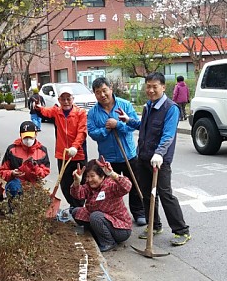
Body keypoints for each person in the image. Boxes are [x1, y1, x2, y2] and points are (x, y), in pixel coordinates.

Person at [117, 72, 191, 246]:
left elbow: (168, 135)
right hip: (143, 157)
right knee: (147, 195)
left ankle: (182, 230)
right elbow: (144, 127)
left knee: (165, 194)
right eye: (148, 86)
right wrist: (128, 120)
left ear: (163, 87)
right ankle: (154, 225)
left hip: (159, 160)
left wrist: (159, 153)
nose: (150, 90)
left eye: (154, 86)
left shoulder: (170, 108)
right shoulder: (148, 106)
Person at [87, 77, 146, 226]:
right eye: (98, 92)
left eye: (104, 90)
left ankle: (138, 213)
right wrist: (106, 129)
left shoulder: (124, 105)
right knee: (109, 189)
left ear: (110, 89)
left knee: (133, 184)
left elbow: (134, 126)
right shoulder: (93, 113)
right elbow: (92, 133)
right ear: (95, 94)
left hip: (128, 154)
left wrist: (118, 124)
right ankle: (111, 215)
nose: (102, 95)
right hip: (108, 159)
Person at [34, 87, 87, 211]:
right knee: (64, 183)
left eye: (68, 99)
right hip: (62, 155)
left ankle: (79, 207)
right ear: (59, 100)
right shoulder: (57, 112)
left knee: (80, 182)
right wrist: (37, 107)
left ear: (73, 99)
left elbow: (82, 132)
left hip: (78, 154)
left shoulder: (80, 113)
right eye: (63, 99)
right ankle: (73, 206)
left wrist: (75, 146)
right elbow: (45, 111)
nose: (66, 101)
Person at [70, 158, 132, 252]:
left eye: (92, 176)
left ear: (102, 176)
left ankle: (108, 242)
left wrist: (112, 174)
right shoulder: (89, 186)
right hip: (101, 219)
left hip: (120, 229)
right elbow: (77, 194)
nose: (89, 180)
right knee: (75, 212)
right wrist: (76, 182)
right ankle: (97, 233)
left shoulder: (110, 185)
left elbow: (127, 186)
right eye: (87, 176)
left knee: (95, 217)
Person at [0, 121, 51, 199]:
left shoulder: (42, 151)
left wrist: (35, 168)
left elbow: (45, 172)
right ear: (20, 135)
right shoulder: (12, 150)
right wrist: (12, 173)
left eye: (30, 137)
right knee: (14, 187)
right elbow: (2, 171)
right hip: (15, 185)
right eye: (25, 137)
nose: (28, 140)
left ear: (36, 134)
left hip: (34, 185)